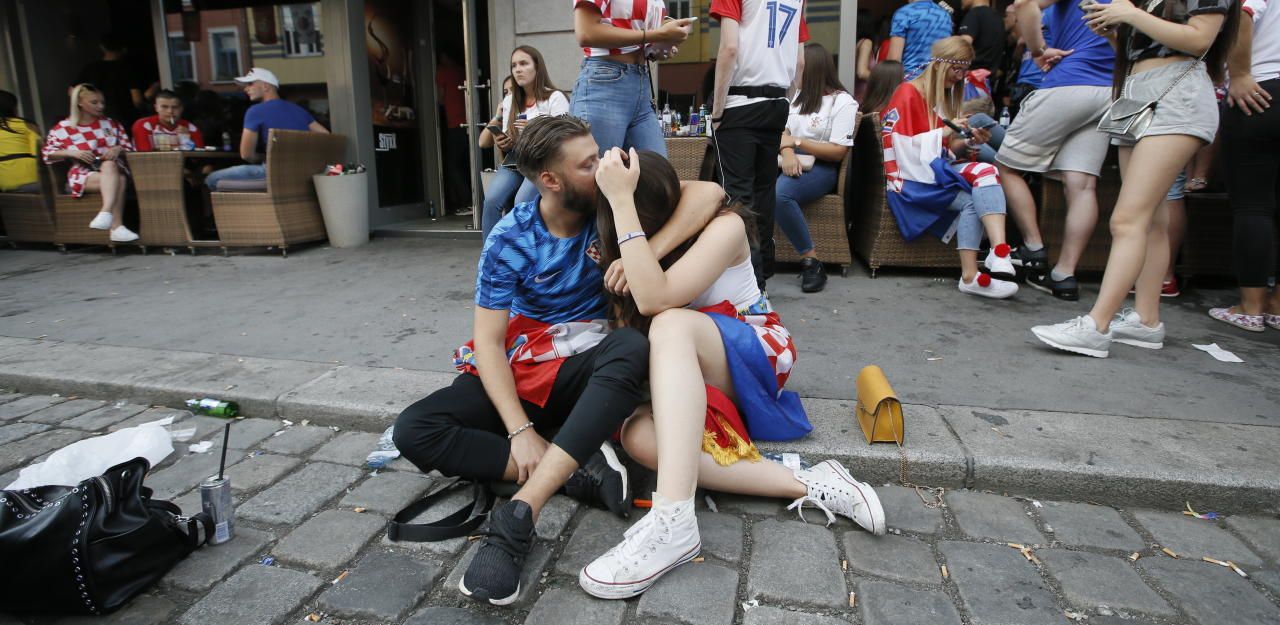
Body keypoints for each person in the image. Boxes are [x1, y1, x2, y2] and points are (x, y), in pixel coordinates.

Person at [391, 115, 723, 606]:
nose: (605, 166)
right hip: (525, 367)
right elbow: (488, 342)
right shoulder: (510, 237)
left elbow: (708, 195)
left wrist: (642, 250)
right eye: (589, 163)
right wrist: (519, 431)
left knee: (632, 347)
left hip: (586, 373)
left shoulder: (613, 202)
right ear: (551, 180)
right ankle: (574, 466)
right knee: (414, 430)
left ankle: (519, 514)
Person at [578, 148, 885, 600]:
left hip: (755, 351)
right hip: (692, 373)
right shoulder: (636, 250)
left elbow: (655, 297)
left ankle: (673, 518)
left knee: (669, 321)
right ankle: (805, 480)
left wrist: (624, 209)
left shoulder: (723, 226)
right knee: (638, 438)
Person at [1032, 0, 1241, 358]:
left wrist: (1130, 15)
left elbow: (1199, 39)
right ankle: (1146, 320)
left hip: (1175, 95)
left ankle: (1097, 325)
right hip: (1137, 93)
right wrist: (1115, 33)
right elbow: (1143, 50)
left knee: (1128, 220)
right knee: (1151, 220)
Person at [994, 0, 1116, 301]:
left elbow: (1024, 4)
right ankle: (1064, 275)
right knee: (1083, 185)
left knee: (1006, 166)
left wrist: (1037, 51)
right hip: (1108, 92)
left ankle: (1033, 248)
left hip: (1068, 82)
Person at [881, 37, 1020, 299]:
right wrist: (945, 130)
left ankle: (980, 267)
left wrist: (967, 140)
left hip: (933, 173)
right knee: (986, 172)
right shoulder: (907, 92)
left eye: (963, 72)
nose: (959, 78)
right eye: (957, 70)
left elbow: (942, 151)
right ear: (940, 65)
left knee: (981, 183)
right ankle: (996, 255)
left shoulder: (938, 97)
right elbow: (900, 149)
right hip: (910, 182)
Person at [709, 0, 810, 290]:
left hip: (740, 102)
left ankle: (749, 285)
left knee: (738, 197)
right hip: (776, 102)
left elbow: (729, 48)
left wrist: (717, 110)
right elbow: (800, 62)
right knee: (764, 192)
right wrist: (785, 99)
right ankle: (762, 272)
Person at [1207, 0, 1278, 332]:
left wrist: (1239, 74)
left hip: (1261, 91)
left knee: (1253, 206)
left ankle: (1250, 307)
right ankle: (1276, 305)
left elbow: (1243, 15)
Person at [775, 44, 859, 293]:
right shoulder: (797, 98)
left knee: (780, 195)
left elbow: (838, 152)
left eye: (797, 67)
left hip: (821, 167)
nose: (793, 72)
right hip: (787, 159)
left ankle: (811, 261)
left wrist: (798, 144)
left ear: (810, 69)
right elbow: (783, 132)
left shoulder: (843, 102)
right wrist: (788, 153)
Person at [570, 1, 695, 156]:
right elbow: (586, 33)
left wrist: (659, 46)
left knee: (658, 174)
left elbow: (637, 36)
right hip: (604, 83)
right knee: (596, 173)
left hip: (639, 84)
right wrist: (660, 34)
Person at [478, 46, 570, 240]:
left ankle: (522, 255)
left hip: (542, 161)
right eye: (513, 65)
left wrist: (535, 129)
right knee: (491, 201)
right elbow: (508, 141)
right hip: (515, 159)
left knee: (522, 202)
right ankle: (491, 258)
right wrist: (504, 142)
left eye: (523, 63)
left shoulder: (554, 97)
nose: (517, 69)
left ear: (537, 67)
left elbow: (565, 138)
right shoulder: (510, 100)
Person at [204, 68, 328, 191]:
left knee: (211, 179)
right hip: (302, 174)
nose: (246, 88)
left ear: (265, 86)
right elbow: (326, 135)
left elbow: (246, 154)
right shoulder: (299, 110)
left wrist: (264, 158)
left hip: (273, 174)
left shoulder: (255, 111)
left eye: (250, 83)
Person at [41, 84, 137, 242]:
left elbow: (130, 149)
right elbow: (47, 154)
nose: (100, 106)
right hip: (83, 174)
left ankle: (105, 213)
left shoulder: (111, 124)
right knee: (119, 179)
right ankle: (117, 227)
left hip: (110, 169)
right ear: (79, 102)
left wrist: (118, 149)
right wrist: (72, 152)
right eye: (94, 102)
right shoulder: (63, 128)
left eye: (102, 102)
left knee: (110, 167)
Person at [74, 33, 150, 127]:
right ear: (124, 48)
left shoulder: (91, 68)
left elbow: (73, 91)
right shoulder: (128, 69)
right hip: (125, 118)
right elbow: (137, 100)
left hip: (98, 118)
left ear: (102, 47)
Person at [437, 48, 473, 216]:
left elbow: (439, 97)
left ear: (444, 56)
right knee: (466, 164)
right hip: (469, 123)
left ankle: (466, 203)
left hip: (454, 125)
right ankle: (472, 201)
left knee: (453, 165)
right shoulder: (463, 70)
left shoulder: (443, 72)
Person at [888, 0, 956, 80]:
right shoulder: (946, 16)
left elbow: (894, 60)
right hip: (936, 82)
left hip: (910, 81)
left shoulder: (904, 13)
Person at [960, 0, 1008, 100]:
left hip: (969, 83)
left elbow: (963, 45)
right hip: (986, 85)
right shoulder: (999, 19)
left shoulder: (974, 14)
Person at [131, 90, 204, 152]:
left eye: (175, 107)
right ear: (156, 108)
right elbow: (145, 155)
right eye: (164, 107)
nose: (170, 111)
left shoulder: (190, 128)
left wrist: (188, 139)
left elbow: (199, 157)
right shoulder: (144, 125)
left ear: (181, 108)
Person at [0, 91, 40, 193]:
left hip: (3, 183)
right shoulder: (26, 125)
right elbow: (38, 151)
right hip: (31, 180)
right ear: (13, 107)